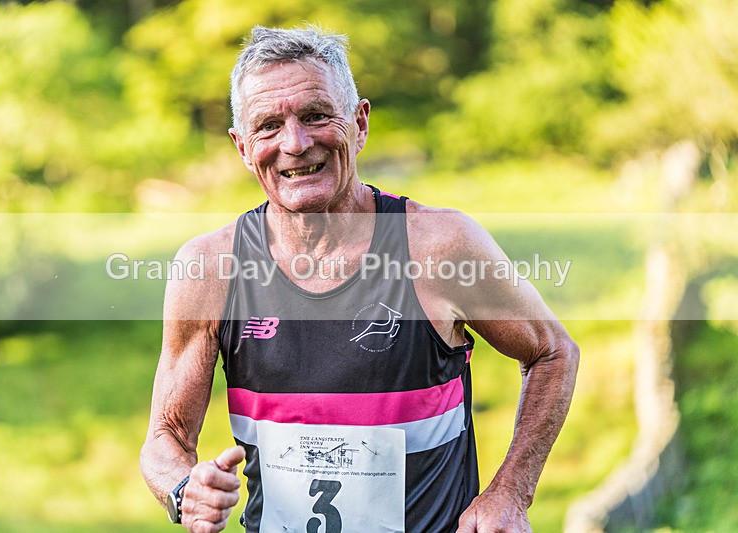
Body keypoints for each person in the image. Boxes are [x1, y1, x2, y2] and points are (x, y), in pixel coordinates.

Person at [140, 25, 579, 533]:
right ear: (242, 146)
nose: (296, 144)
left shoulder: (438, 246)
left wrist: (510, 494)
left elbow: (552, 352)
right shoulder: (211, 269)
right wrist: (182, 489)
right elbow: (164, 437)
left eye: (315, 116)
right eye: (268, 126)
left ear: (359, 122)